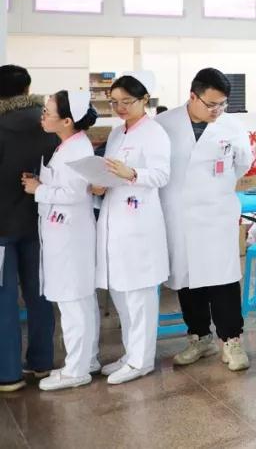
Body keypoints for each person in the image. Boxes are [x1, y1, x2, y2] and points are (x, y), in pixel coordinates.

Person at [157, 69, 253, 372]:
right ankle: (199, 337)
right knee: (187, 280)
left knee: (223, 280)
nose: (217, 110)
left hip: (216, 213)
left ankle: (232, 340)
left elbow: (243, 164)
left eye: (222, 104)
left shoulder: (232, 126)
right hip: (179, 214)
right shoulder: (164, 124)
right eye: (211, 104)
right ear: (192, 96)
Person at [93, 73, 171, 385]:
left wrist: (132, 173)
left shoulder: (155, 133)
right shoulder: (116, 133)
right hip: (115, 220)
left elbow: (162, 175)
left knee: (139, 295)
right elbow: (111, 171)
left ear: (144, 100)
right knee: (121, 292)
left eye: (127, 101)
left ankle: (142, 360)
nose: (120, 107)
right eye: (115, 102)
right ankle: (130, 354)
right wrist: (100, 184)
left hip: (139, 223)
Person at [21, 90, 97, 391]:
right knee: (78, 301)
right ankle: (85, 361)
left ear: (67, 121)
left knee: (73, 302)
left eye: (47, 112)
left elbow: (74, 193)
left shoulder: (76, 150)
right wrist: (42, 183)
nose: (42, 116)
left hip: (69, 235)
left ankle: (77, 369)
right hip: (64, 232)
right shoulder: (68, 145)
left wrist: (38, 190)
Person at [0, 66, 59, 392]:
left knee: (3, 299)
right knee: (40, 295)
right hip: (40, 223)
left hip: (1, 230)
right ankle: (42, 362)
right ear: (27, 88)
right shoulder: (49, 123)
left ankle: (8, 374)